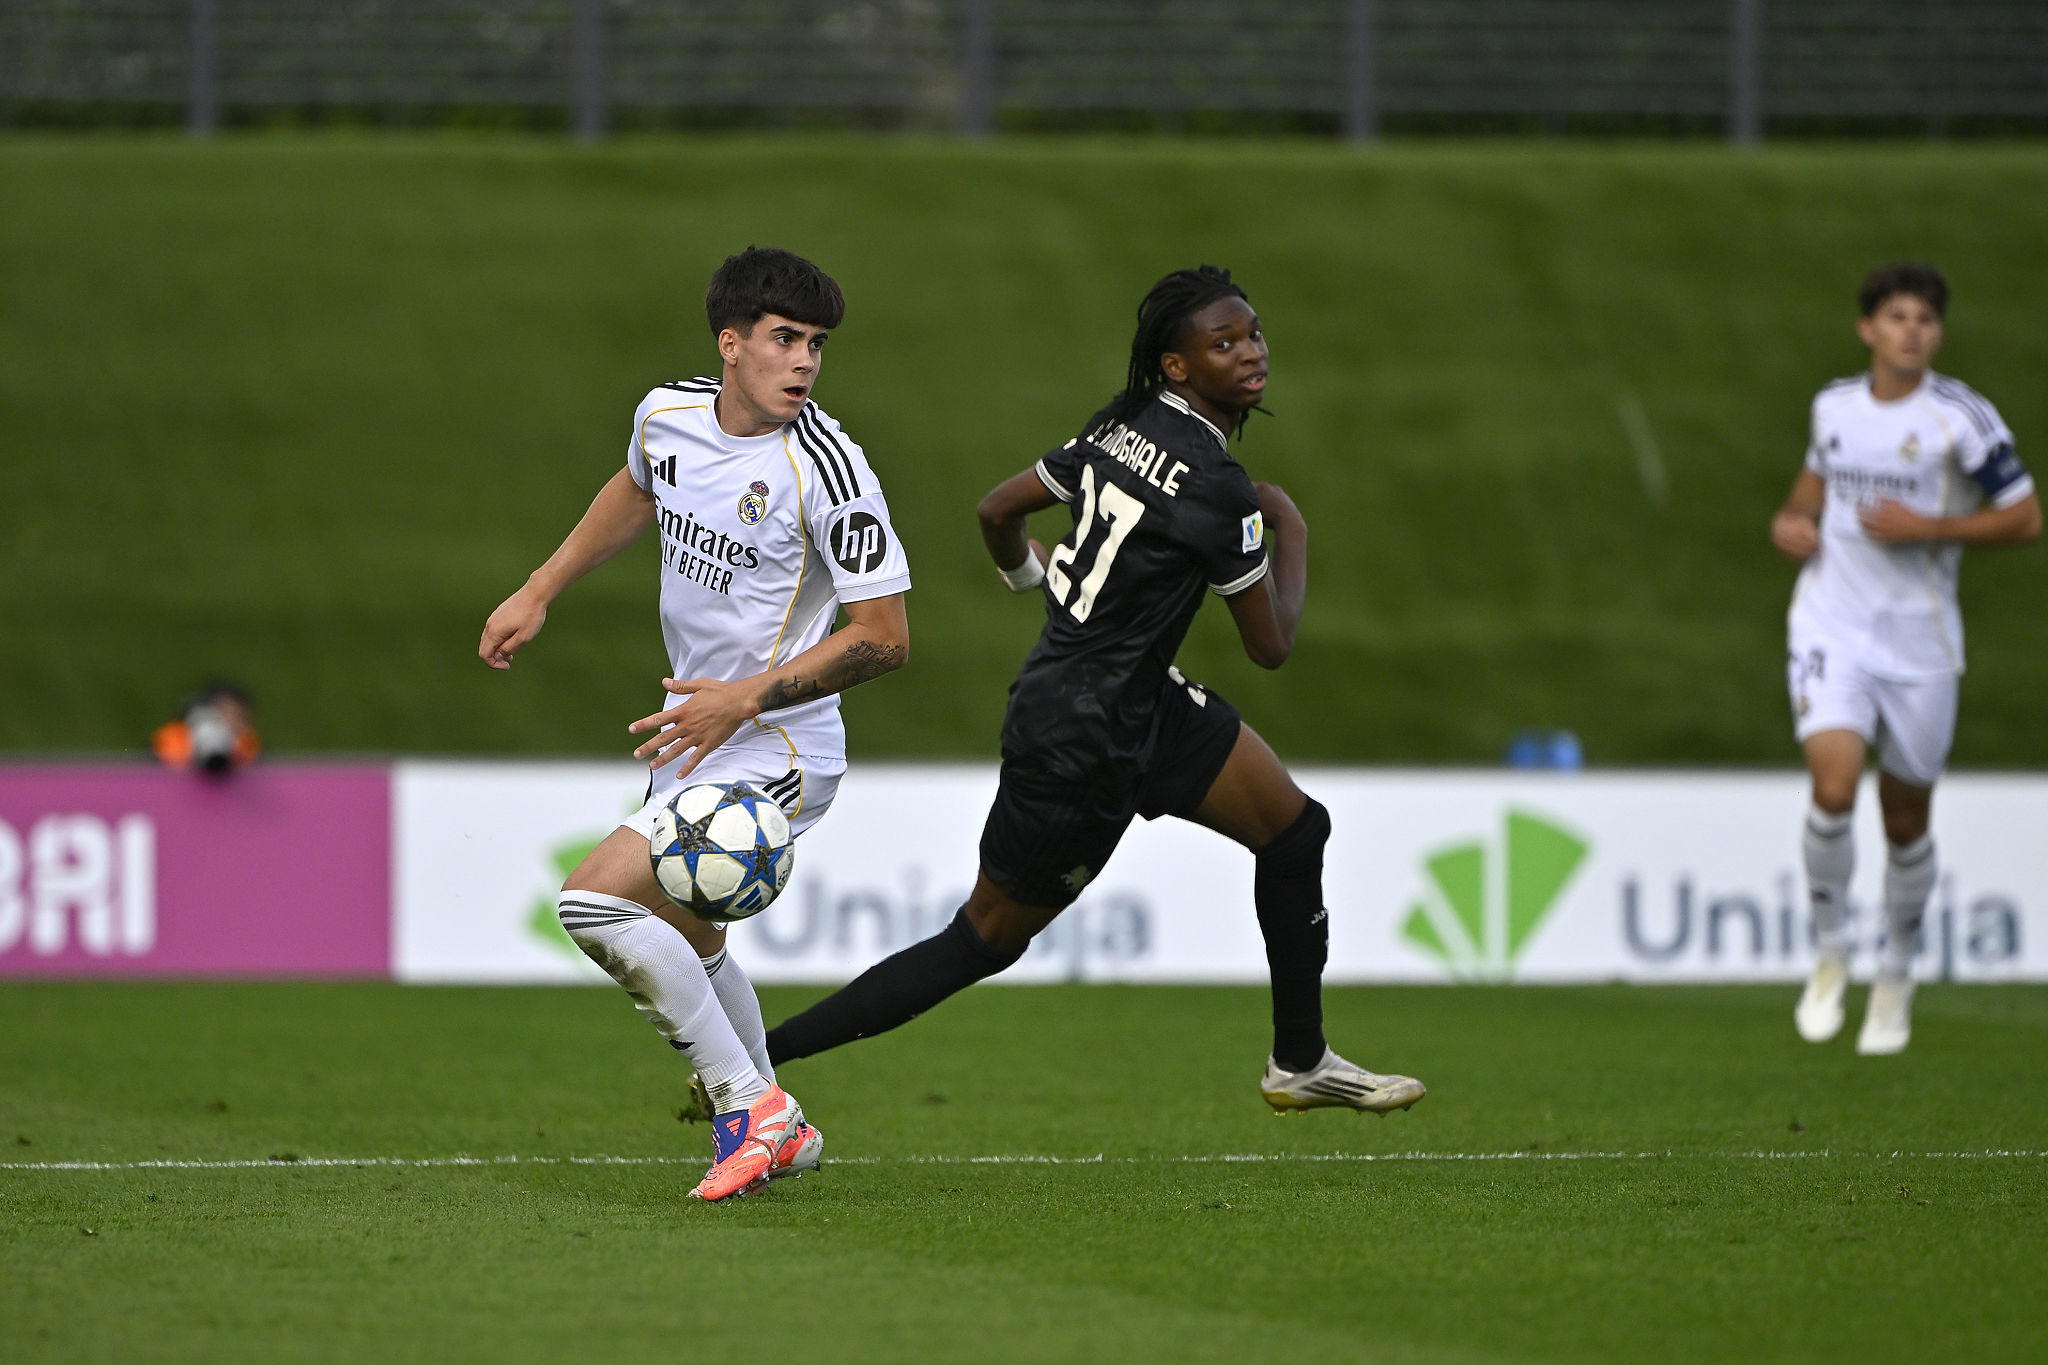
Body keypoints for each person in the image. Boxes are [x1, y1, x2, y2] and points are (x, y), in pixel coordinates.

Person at [758, 265, 1425, 1115]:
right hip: (1079, 734)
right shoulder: (1224, 491)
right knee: (984, 937)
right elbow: (1271, 644)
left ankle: (1300, 1060)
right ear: (1178, 367)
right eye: (1222, 343)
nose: (1250, 353)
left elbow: (998, 509)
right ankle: (758, 1060)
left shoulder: (1125, 424)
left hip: (1140, 699)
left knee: (1296, 831)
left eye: (1252, 333)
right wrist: (1283, 520)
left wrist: (1028, 577)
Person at [479, 247, 911, 1199]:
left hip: (781, 742)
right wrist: (540, 588)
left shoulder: (829, 469)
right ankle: (778, 1128)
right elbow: (638, 487)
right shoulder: (666, 414)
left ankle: (746, 1107)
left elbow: (883, 637)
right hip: (696, 736)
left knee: (594, 901)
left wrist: (745, 697)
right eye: (784, 339)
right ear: (731, 342)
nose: (804, 362)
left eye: (817, 346)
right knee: (696, 939)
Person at [1775, 261, 2038, 1054]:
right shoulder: (1834, 407)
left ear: (1938, 333)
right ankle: (1831, 952)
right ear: (1868, 329)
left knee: (1904, 816)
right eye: (1897, 317)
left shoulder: (1963, 417)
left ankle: (1897, 967)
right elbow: (1808, 495)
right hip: (1831, 624)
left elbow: (2024, 517)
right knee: (1831, 785)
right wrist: (1790, 521)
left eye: (1925, 319)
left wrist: (1929, 526)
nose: (1911, 331)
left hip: (1919, 642)